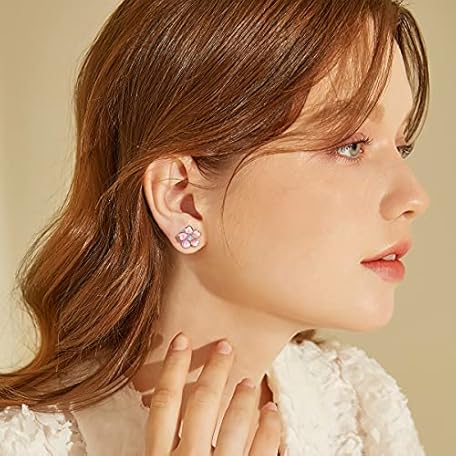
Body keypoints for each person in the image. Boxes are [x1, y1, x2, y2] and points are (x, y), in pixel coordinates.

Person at [0, 0, 431, 454]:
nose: (415, 197)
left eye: (401, 147)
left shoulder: (363, 407)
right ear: (182, 198)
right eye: (350, 145)